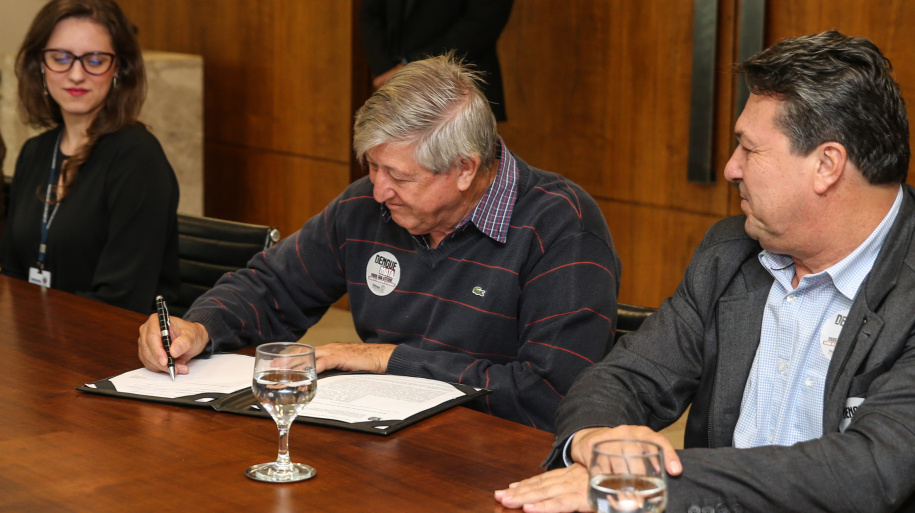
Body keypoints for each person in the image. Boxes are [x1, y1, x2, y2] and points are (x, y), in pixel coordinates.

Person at [495, 30, 915, 513]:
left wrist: (648, 482)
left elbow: (871, 469)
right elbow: (625, 377)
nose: (730, 168)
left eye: (748, 148)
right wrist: (595, 439)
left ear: (827, 165)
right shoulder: (731, 250)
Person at [137, 54, 620, 432]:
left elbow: (552, 394)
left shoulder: (562, 228)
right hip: (380, 443)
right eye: (372, 166)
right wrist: (199, 327)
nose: (378, 189)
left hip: (499, 464)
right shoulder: (369, 209)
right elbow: (272, 285)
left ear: (465, 169)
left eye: (399, 175)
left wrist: (391, 360)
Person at [0, 0, 179, 314]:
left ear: (118, 69)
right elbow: (13, 275)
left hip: (110, 348)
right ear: (40, 65)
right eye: (60, 58)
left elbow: (121, 301)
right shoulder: (35, 151)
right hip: (36, 342)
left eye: (94, 60)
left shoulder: (138, 159)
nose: (76, 74)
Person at [360, 0, 514, 121]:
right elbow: (370, 12)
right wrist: (385, 69)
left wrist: (410, 67)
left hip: (458, 87)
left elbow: (483, 23)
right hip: (391, 85)